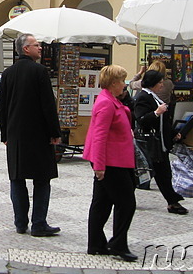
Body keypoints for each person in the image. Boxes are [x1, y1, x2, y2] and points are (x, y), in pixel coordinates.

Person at [0, 33, 62, 237]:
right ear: (26, 48)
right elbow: (48, 105)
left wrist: (5, 134)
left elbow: (4, 106)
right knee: (42, 180)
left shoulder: (8, 73)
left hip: (15, 135)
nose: (41, 48)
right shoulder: (40, 71)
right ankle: (39, 223)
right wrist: (55, 132)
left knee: (17, 179)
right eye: (37, 45)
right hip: (38, 134)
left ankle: (20, 222)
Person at [83, 64, 137, 262]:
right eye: (122, 81)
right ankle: (118, 244)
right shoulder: (106, 103)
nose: (125, 84)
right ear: (114, 83)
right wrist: (99, 165)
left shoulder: (111, 100)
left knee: (102, 202)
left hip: (114, 160)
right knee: (126, 203)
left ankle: (96, 243)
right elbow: (99, 135)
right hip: (112, 162)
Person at [133, 70, 188, 215]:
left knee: (162, 173)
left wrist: (174, 134)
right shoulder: (143, 97)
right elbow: (141, 120)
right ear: (152, 83)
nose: (162, 85)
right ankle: (172, 202)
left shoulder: (154, 96)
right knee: (146, 173)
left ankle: (172, 202)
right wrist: (156, 112)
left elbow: (163, 123)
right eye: (159, 82)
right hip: (150, 144)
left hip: (160, 143)